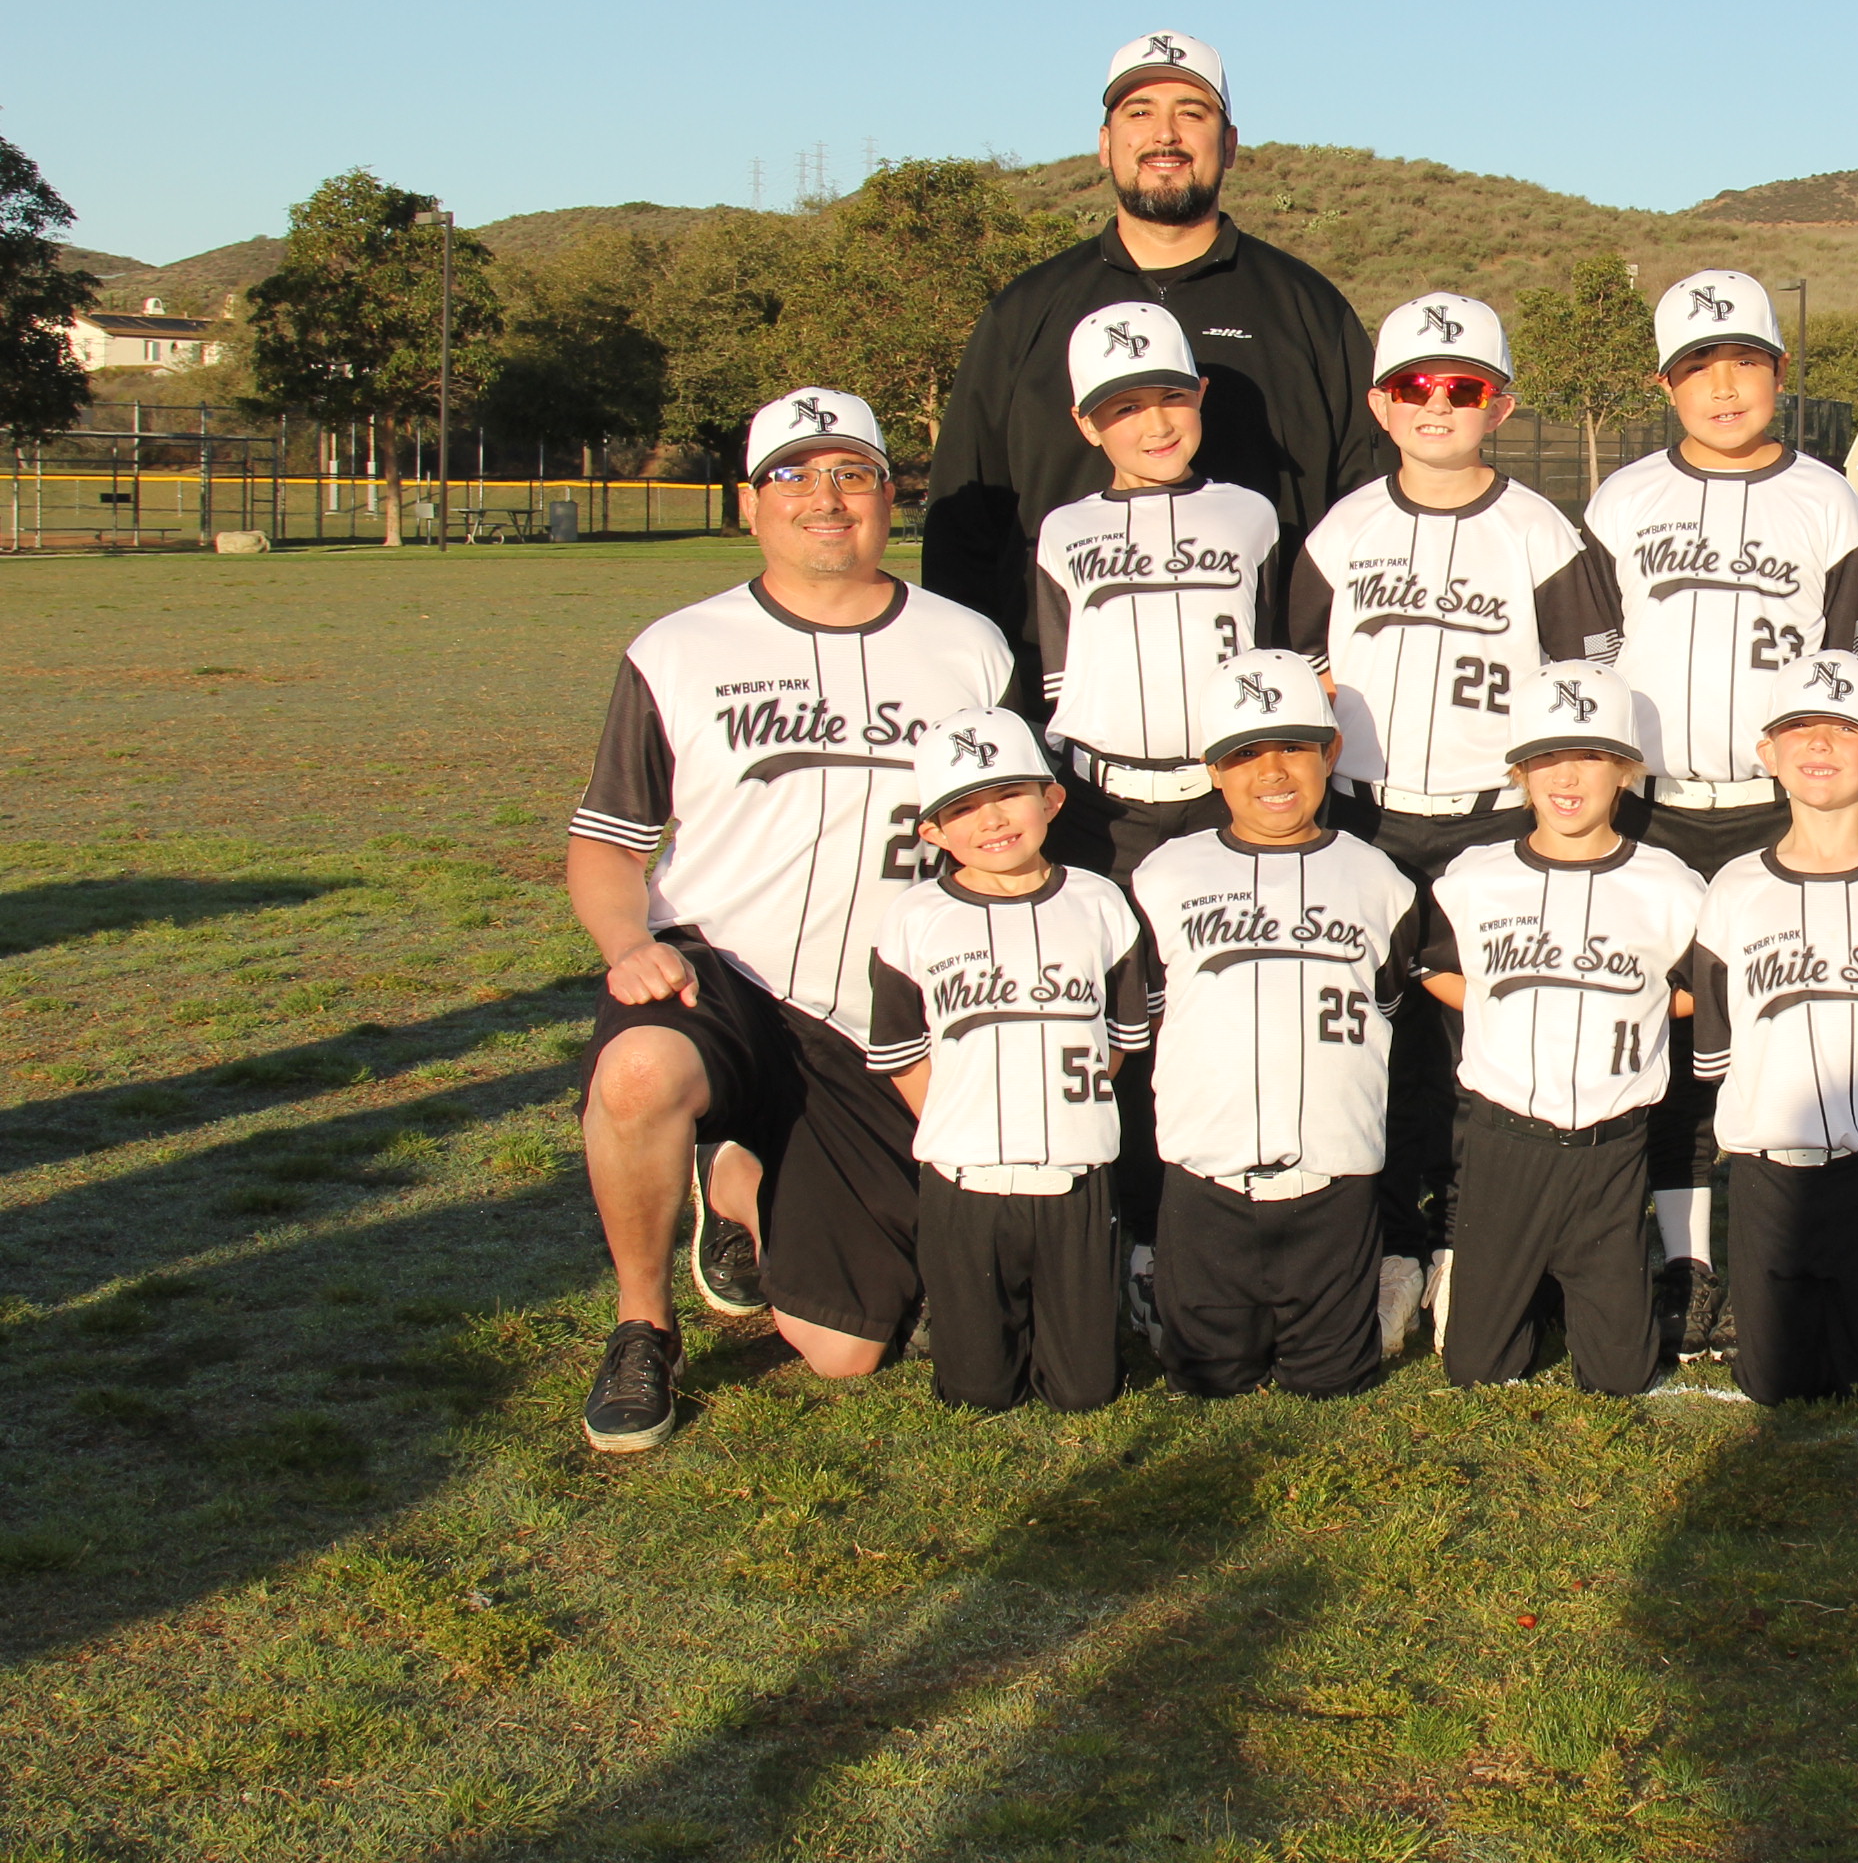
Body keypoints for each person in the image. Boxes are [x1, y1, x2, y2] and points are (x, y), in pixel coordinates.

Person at [566, 389, 1014, 1451]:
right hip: (720, 974)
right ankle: (642, 1326)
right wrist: (628, 945)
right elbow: (608, 844)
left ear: (889, 496)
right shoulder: (679, 648)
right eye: (795, 476)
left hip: (879, 1011)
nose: (827, 498)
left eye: (853, 474)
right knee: (637, 1075)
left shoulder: (969, 647)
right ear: (750, 503)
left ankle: (739, 1174)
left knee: (845, 1349)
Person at [1287, 292, 1621, 1357]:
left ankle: (1474, 1244)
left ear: (1501, 405)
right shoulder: (1345, 528)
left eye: (1463, 386)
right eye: (1414, 386)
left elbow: (1583, 685)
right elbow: (1299, 670)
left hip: (1492, 824)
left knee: (1493, 1042)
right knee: (1371, 1042)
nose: (1437, 404)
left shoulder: (1540, 531)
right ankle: (1389, 1247)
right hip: (1367, 819)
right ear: (1381, 405)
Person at [1585, 267, 1858, 1362]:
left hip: (1771, 812)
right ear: (1664, 385)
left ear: (1780, 374)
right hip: (1653, 810)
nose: (1723, 388)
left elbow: (1838, 668)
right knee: (1658, 1033)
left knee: (1770, 1033)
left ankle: (1760, 1247)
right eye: (1697, 368)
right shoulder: (1622, 499)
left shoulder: (1828, 500)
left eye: (1744, 363)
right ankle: (1679, 1257)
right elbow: (1595, 659)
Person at [924, 31, 1391, 706]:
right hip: (1064, 717)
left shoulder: (1307, 308)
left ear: (1229, 144)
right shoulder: (1026, 312)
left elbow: (1368, 510)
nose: (1164, 134)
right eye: (1139, 112)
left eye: (1191, 113)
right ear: (1105, 142)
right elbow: (962, 526)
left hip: (1264, 719)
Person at [1032, 298, 1280, 1333]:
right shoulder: (1065, 529)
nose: (1153, 422)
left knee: (1222, 1017)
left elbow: (1279, 656)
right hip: (1106, 809)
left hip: (1220, 801)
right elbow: (1059, 677)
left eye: (1170, 397)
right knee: (1120, 1022)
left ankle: (1235, 1224)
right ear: (1086, 424)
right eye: (1122, 407)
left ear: (1201, 395)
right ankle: (1133, 1238)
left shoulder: (1252, 516)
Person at [1127, 650, 1422, 1401]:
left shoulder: (1380, 880)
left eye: (1294, 746)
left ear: (1332, 751)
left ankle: (1382, 1280)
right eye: (1244, 754)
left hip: (1333, 1175)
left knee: (1331, 1380)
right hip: (1205, 1176)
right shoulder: (1163, 876)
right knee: (1207, 1380)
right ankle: (1157, 1277)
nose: (1273, 772)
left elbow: (1385, 1005)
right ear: (1213, 770)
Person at [1684, 651, 1858, 1418]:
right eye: (1799, 726)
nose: (1819, 743)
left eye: (1845, 730)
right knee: (1775, 1384)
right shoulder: (1734, 887)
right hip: (1770, 1175)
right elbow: (1719, 1051)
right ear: (1767, 754)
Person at [1418, 662, 1708, 1396]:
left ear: (1626, 772)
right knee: (1478, 1370)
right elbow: (1438, 969)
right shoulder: (1475, 878)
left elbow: (1693, 991)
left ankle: (1575, 1285)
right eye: (1545, 758)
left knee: (1620, 1376)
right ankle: (1519, 1283)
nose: (1567, 777)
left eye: (1590, 757)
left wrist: (1633, 1008)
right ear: (1519, 772)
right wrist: (1504, 1006)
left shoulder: (1670, 884)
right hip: (1503, 1143)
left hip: (1611, 1152)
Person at [865, 713, 1149, 1413]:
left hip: (1075, 1174)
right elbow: (902, 1052)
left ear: (1051, 799)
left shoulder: (1100, 901)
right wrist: (958, 1123)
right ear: (932, 831)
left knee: (1085, 1391)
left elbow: (1120, 1035)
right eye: (963, 808)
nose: (991, 820)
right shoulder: (915, 916)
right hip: (963, 1181)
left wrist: (1064, 1103)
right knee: (977, 1392)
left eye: (1009, 795)